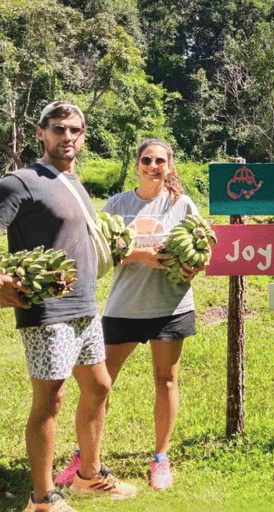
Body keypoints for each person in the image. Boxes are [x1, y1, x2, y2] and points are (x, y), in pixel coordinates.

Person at [0, 101, 138, 512]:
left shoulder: (72, 181)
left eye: (75, 130)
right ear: (41, 132)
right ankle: (41, 498)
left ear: (83, 136)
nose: (67, 137)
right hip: (47, 310)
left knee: (98, 386)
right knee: (51, 399)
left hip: (84, 308)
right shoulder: (20, 181)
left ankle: (88, 476)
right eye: (58, 129)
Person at [54, 139, 207, 491]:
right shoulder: (118, 204)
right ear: (137, 164)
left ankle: (160, 458)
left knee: (166, 381)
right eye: (146, 160)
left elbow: (202, 250)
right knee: (98, 386)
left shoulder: (182, 204)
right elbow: (98, 252)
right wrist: (140, 255)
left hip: (171, 307)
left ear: (170, 167)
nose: (153, 166)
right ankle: (84, 456)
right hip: (124, 308)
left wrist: (191, 267)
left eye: (160, 161)